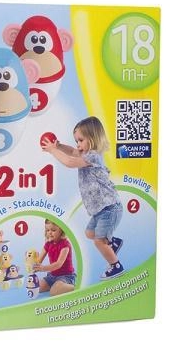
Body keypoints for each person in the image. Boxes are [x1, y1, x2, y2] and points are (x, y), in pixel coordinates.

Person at [41, 116, 124, 279]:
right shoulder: (84, 153)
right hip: (100, 210)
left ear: (93, 138)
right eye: (76, 141)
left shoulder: (93, 156)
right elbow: (72, 152)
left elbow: (70, 162)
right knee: (89, 233)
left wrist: (53, 151)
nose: (77, 144)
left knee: (98, 241)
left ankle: (116, 265)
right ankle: (113, 243)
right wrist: (58, 146)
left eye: (80, 140)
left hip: (110, 208)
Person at [34, 219, 75, 296]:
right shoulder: (48, 244)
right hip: (52, 275)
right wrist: (33, 264)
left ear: (61, 231)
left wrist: (43, 268)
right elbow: (39, 260)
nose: (50, 232)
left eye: (53, 230)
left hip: (65, 276)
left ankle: (75, 287)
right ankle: (57, 285)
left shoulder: (65, 245)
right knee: (36, 287)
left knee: (53, 292)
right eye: (47, 230)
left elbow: (58, 264)